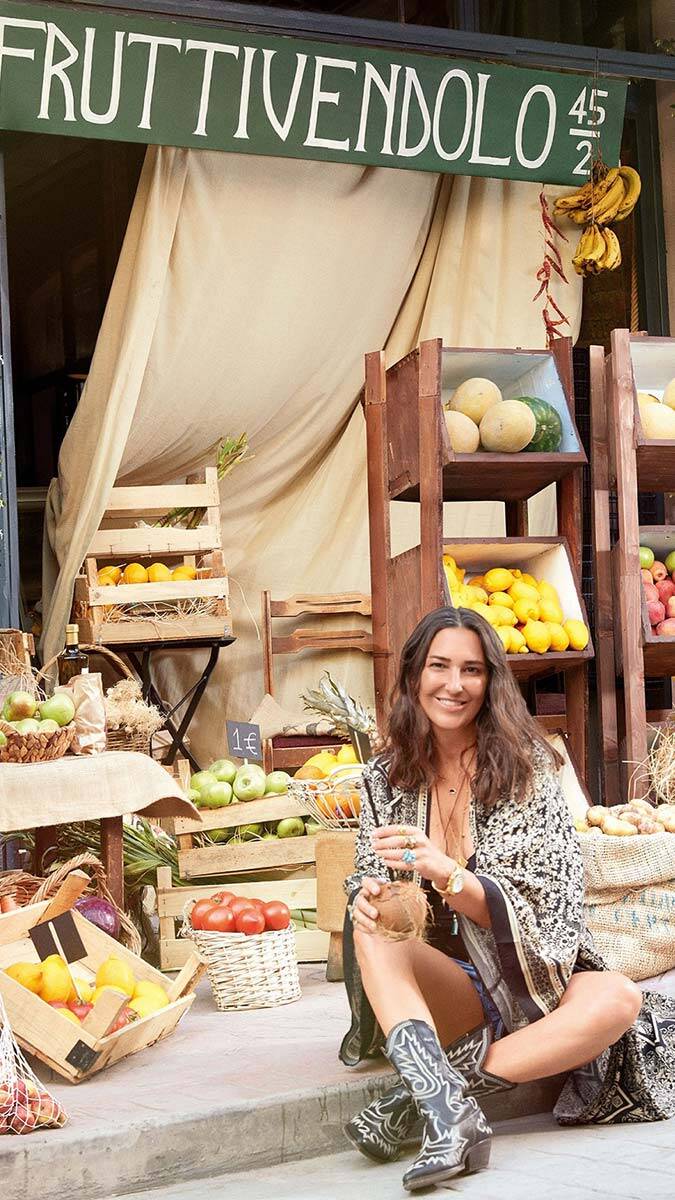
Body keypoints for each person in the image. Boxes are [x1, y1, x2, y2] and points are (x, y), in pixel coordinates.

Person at [341, 606, 675, 1193]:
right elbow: (378, 880)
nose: (454, 684)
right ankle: (448, 1110)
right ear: (415, 673)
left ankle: (436, 1103)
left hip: (532, 978)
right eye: (439, 666)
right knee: (370, 925)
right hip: (447, 987)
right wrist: (375, 894)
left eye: (472, 669)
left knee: (618, 998)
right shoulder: (384, 777)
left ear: (492, 682)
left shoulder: (530, 771)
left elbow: (549, 906)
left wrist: (449, 874)